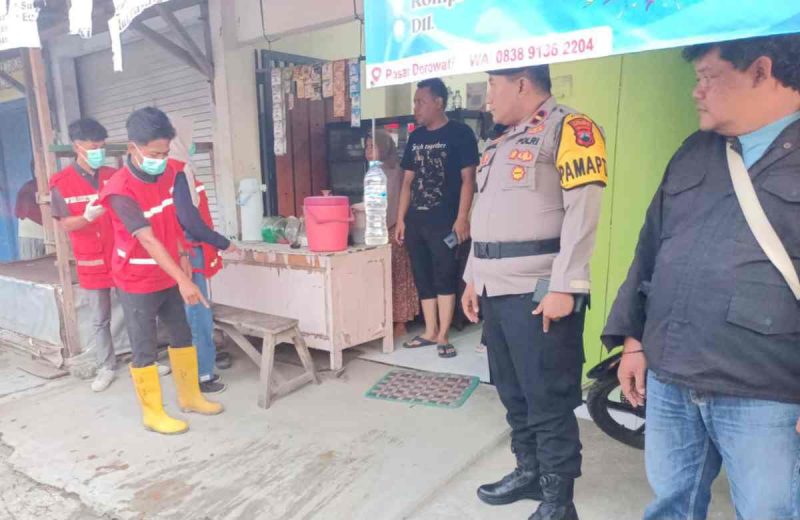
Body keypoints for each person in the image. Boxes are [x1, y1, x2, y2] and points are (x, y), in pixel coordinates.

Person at [602, 35, 800, 520]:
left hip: (765, 390)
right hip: (671, 376)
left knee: (769, 512)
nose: (697, 91)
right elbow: (649, 250)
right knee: (671, 503)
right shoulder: (695, 151)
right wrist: (633, 341)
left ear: (760, 70)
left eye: (707, 77)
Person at [462, 65, 608, 520]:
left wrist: (566, 284)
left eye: (492, 85)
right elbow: (486, 215)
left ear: (521, 83)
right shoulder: (498, 141)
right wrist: (472, 276)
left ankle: (559, 501)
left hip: (540, 289)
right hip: (494, 287)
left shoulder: (572, 128)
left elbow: (583, 212)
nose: (487, 98)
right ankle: (529, 472)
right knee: (513, 392)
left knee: (548, 396)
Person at [98, 107, 223, 435]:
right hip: (136, 279)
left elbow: (172, 222)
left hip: (168, 272)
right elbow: (149, 240)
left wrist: (183, 255)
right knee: (144, 347)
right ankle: (153, 412)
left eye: (166, 152)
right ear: (133, 148)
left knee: (181, 335)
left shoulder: (169, 173)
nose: (162, 159)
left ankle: (190, 396)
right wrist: (185, 279)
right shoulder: (119, 188)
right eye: (155, 153)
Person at [396, 77, 479, 358]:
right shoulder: (416, 137)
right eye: (415, 101)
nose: (416, 107)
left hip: (445, 220)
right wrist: (400, 219)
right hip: (416, 222)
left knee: (444, 274)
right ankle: (429, 330)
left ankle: (444, 334)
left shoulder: (460, 133)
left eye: (420, 101)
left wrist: (462, 218)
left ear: (438, 102)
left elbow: (469, 180)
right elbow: (407, 182)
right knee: (422, 274)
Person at [49, 118, 120, 391]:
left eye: (102, 146)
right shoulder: (61, 183)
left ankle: (143, 360)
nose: (98, 151)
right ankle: (106, 366)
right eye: (93, 146)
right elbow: (65, 224)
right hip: (91, 260)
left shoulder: (112, 176)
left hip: (119, 255)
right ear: (77, 146)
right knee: (100, 318)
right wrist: (87, 216)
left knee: (137, 310)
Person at [171, 145, 235, 394]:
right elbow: (191, 221)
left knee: (189, 315)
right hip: (188, 252)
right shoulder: (178, 173)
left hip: (182, 250)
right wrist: (223, 242)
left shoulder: (167, 173)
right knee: (198, 314)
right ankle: (203, 375)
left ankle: (192, 369)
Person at [365, 130, 420, 337]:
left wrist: (397, 223)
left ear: (385, 147)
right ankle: (384, 317)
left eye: (373, 146)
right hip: (377, 229)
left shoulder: (396, 172)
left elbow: (398, 202)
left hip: (394, 230)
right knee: (382, 275)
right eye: (367, 147)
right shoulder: (372, 172)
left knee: (398, 276)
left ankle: (401, 322)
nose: (368, 151)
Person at [15, 167, 44, 260]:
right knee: (33, 265)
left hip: (43, 233)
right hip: (32, 234)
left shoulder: (50, 184)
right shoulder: (29, 188)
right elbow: (24, 212)